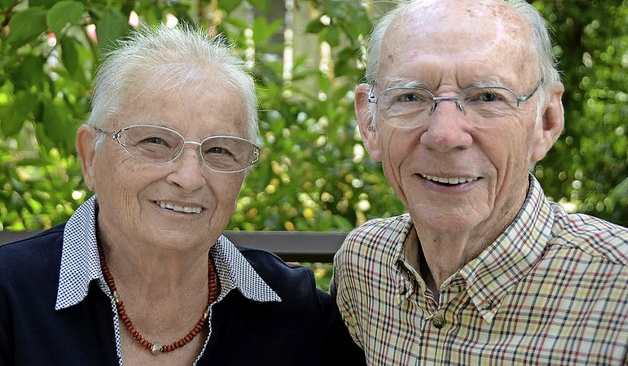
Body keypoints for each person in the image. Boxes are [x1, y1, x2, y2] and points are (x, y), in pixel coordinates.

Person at [0, 23, 365, 366]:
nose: (189, 178)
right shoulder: (10, 294)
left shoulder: (294, 310)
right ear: (90, 156)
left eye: (220, 150)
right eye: (155, 141)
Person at [330, 0, 628, 365]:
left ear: (546, 121)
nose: (444, 135)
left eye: (488, 97)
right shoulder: (364, 266)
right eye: (410, 97)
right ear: (370, 122)